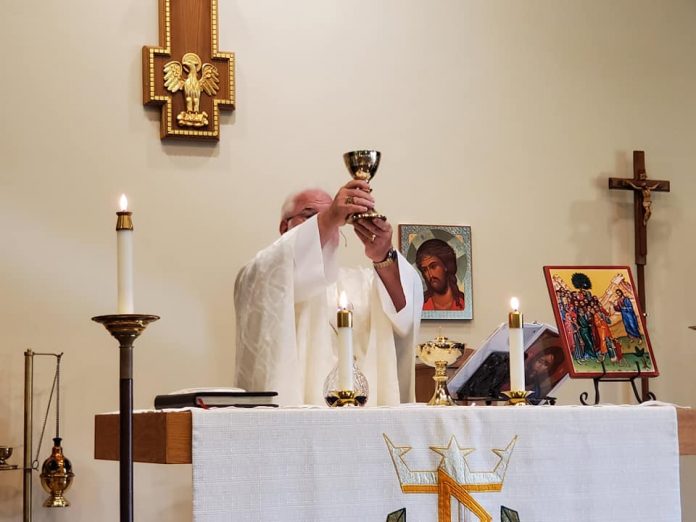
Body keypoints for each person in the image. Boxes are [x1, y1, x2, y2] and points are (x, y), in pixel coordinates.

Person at [234, 180, 423, 406]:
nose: (327, 223)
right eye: (310, 216)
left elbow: (403, 313)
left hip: (362, 418)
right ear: (284, 228)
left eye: (335, 218)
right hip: (292, 418)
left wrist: (384, 256)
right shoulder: (263, 273)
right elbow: (265, 275)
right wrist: (330, 216)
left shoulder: (362, 282)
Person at [415, 239, 466, 311]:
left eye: (433, 266)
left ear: (446, 265)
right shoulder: (420, 305)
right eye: (425, 270)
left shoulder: (464, 303)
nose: (430, 275)